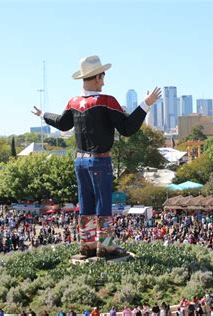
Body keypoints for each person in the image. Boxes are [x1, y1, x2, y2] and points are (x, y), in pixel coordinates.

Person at [32, 55, 161, 257]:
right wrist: (146, 104)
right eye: (103, 76)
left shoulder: (73, 103)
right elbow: (127, 128)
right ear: (97, 78)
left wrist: (43, 115)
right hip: (100, 160)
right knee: (103, 204)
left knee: (85, 203)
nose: (104, 81)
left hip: (79, 162)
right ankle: (106, 246)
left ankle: (87, 245)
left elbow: (62, 123)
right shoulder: (106, 101)